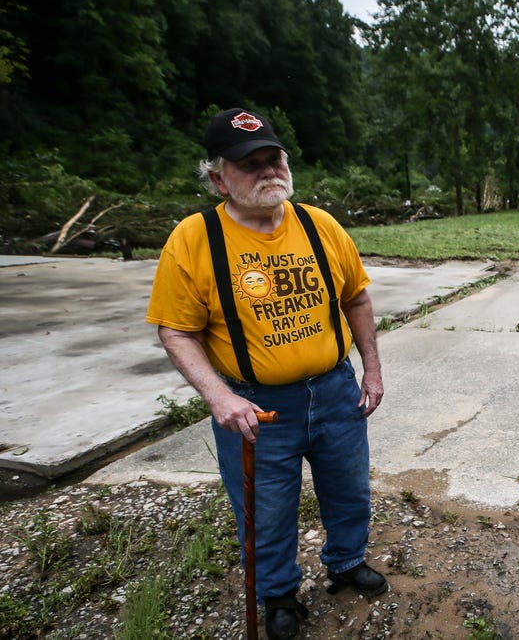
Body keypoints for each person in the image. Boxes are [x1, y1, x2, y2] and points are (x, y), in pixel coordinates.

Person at [146, 108, 389, 640]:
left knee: (349, 491)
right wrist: (218, 397)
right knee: (266, 510)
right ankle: (279, 594)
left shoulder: (319, 224)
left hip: (334, 390)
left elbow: (357, 298)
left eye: (272, 158)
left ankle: (346, 562)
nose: (267, 172)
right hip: (253, 405)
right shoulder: (194, 239)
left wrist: (370, 370)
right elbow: (175, 331)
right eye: (248, 164)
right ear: (216, 179)